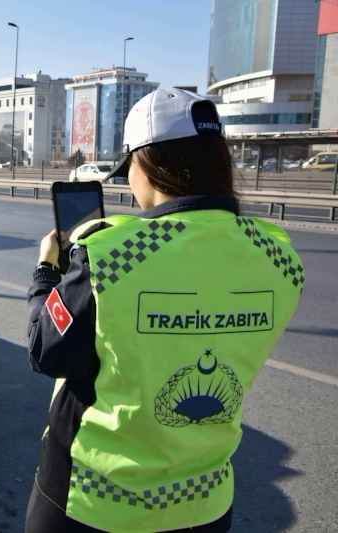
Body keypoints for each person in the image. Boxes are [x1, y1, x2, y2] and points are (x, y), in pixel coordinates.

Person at [25, 89, 304, 532]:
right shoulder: (280, 258)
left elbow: (46, 349)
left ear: (147, 164)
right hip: (204, 503)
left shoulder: (110, 255)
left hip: (93, 504)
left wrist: (46, 272)